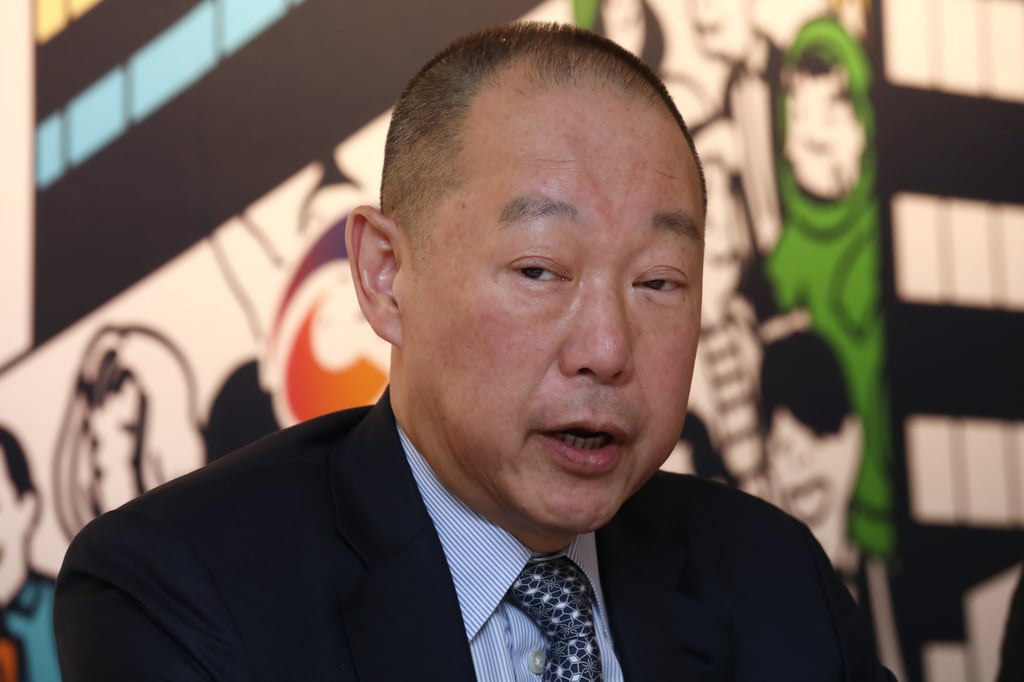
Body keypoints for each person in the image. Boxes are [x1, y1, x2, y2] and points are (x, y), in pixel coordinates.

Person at [54, 21, 894, 681]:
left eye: (659, 282)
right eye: (539, 270)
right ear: (386, 278)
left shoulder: (776, 581)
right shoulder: (179, 591)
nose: (606, 349)